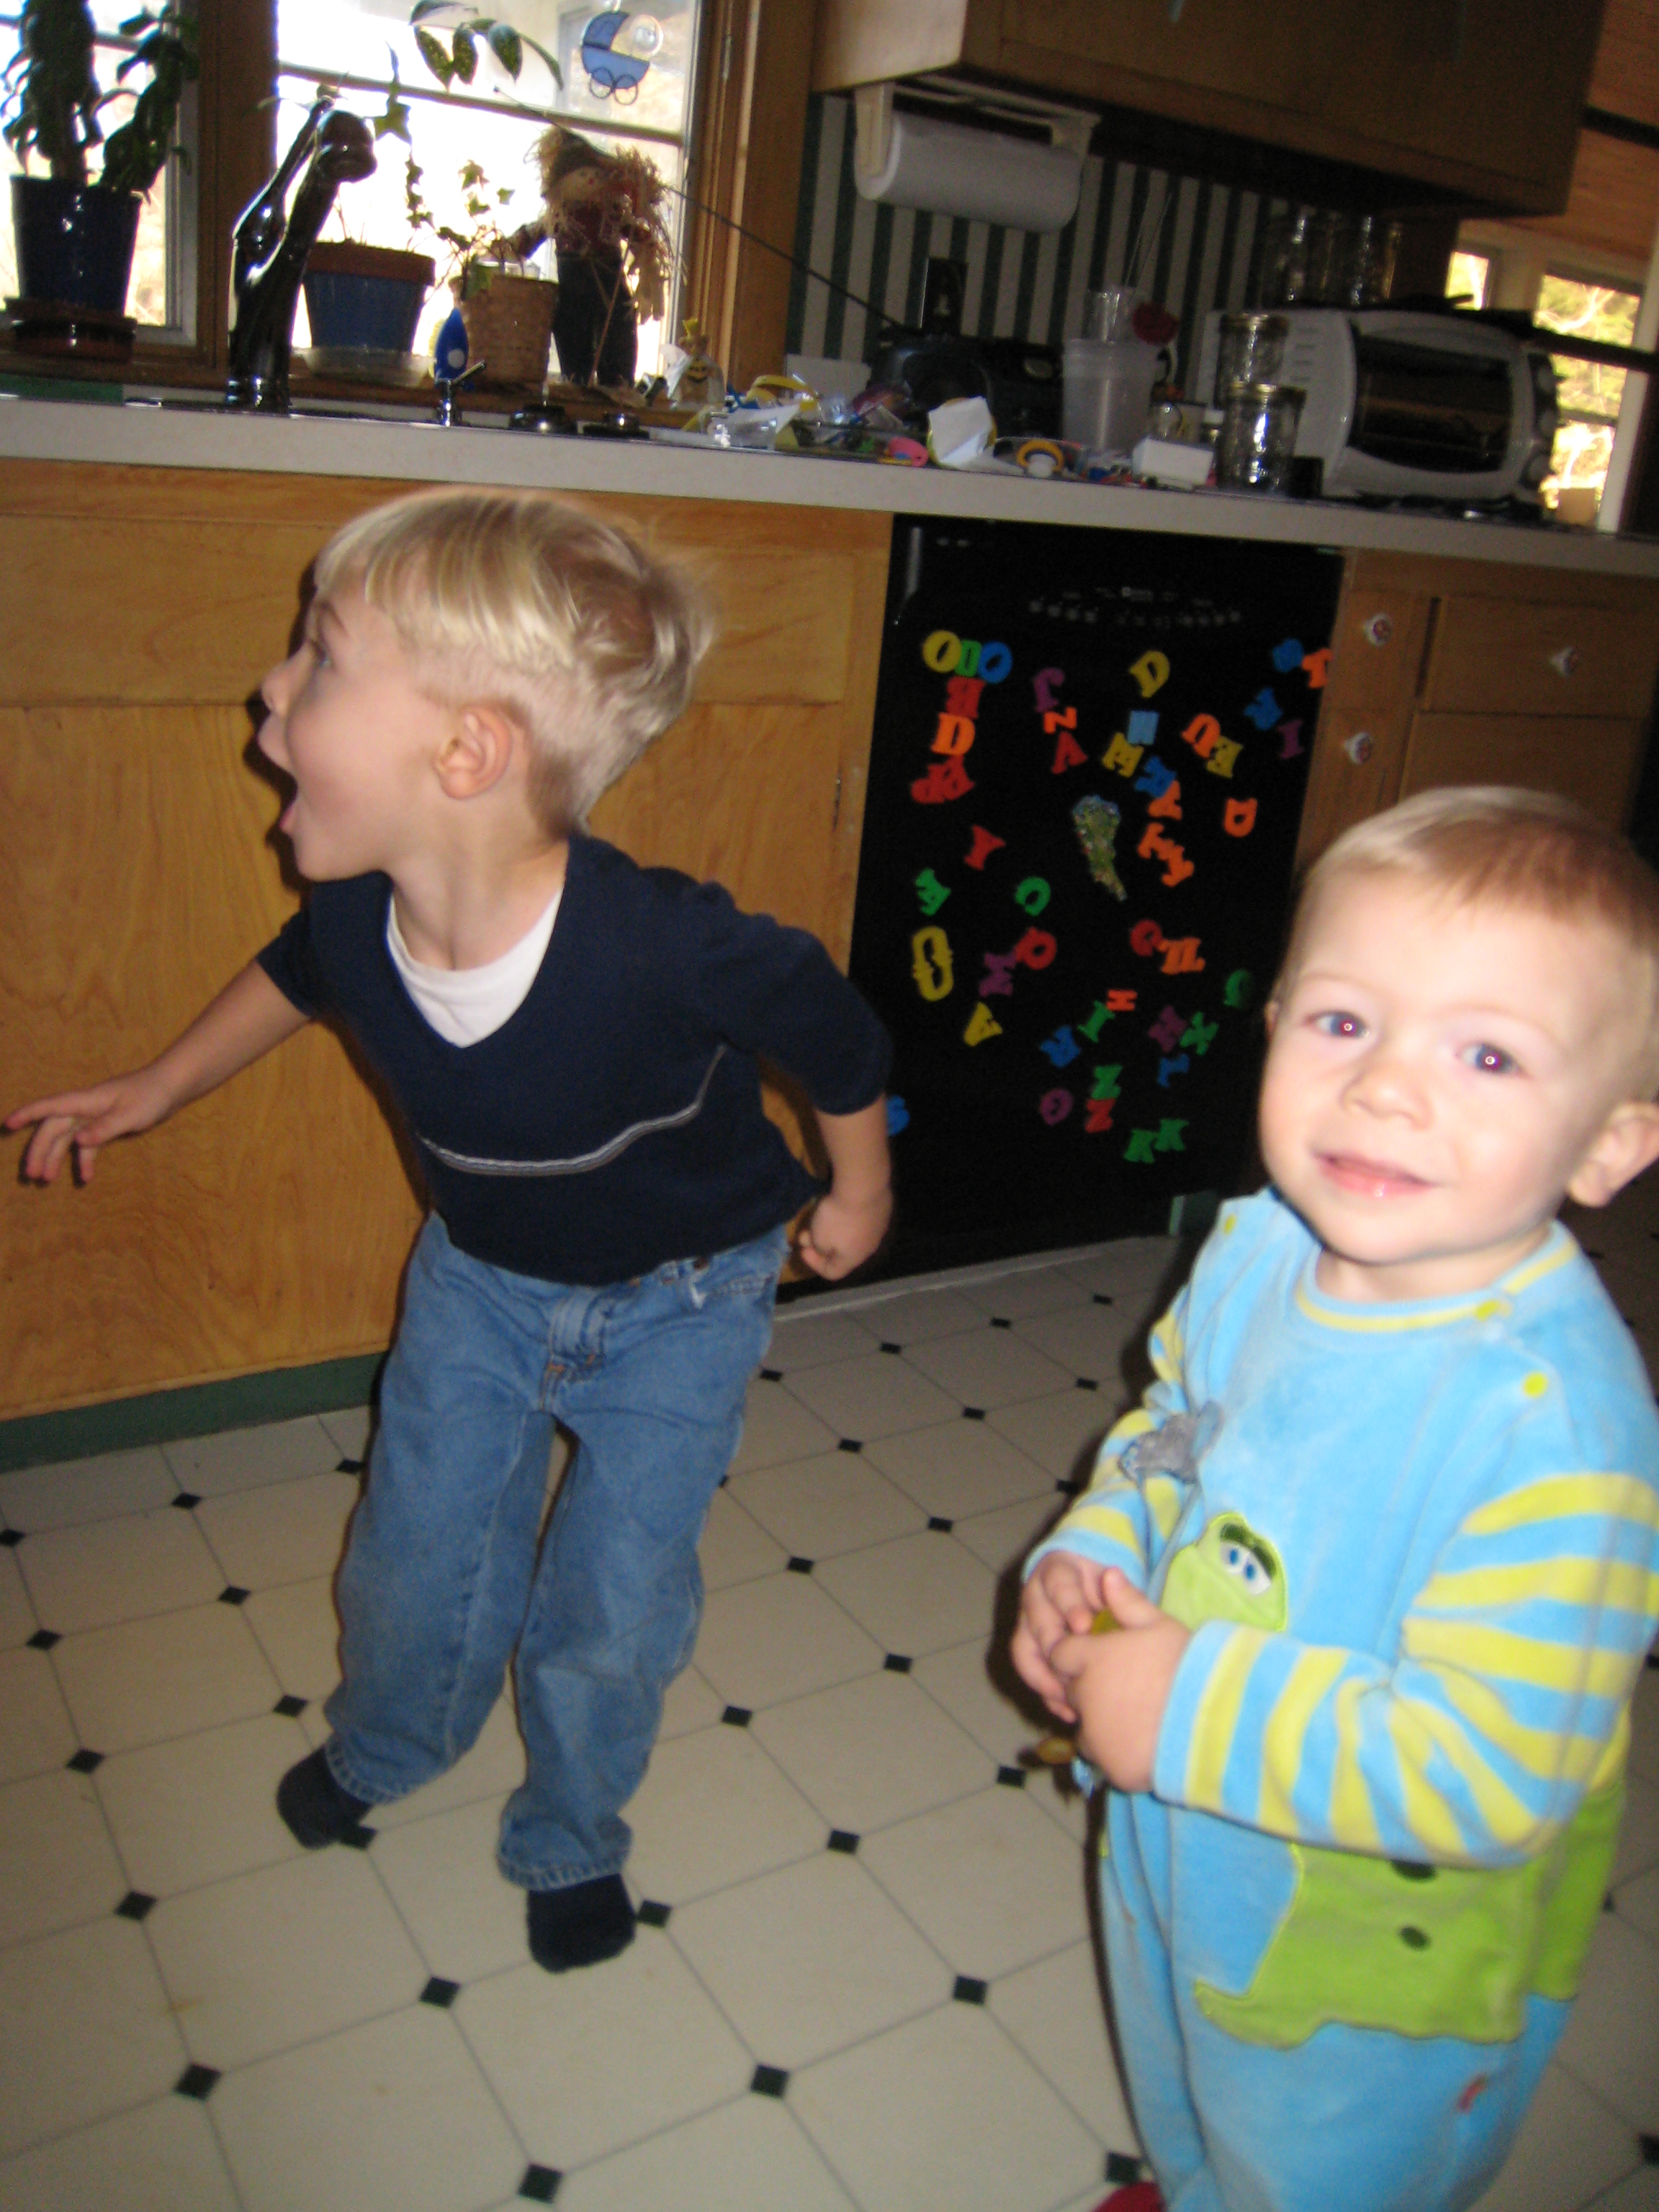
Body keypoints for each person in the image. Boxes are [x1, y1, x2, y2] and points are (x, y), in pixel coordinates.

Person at [8, 487, 893, 1974]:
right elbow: (291, 977)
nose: (270, 685)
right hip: (481, 1279)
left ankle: (573, 1826)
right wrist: (157, 1085)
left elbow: (836, 1032)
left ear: (465, 755)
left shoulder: (666, 942)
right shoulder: (357, 915)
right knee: (415, 1550)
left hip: (684, 1297)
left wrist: (858, 1188)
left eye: (319, 656)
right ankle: (391, 1740)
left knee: (615, 1592)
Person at [1012, 787, 1659, 2212]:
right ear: (1274, 1025)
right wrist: (1098, 1544)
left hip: (1368, 1972)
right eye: (1344, 1021)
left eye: (1487, 1053)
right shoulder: (1257, 1250)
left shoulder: (1558, 1437)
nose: (1384, 1089)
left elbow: (1490, 1775)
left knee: (1309, 2169)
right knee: (1181, 2075)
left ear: (1609, 1146)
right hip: (1184, 1848)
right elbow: (1174, 1428)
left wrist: (1183, 1704)